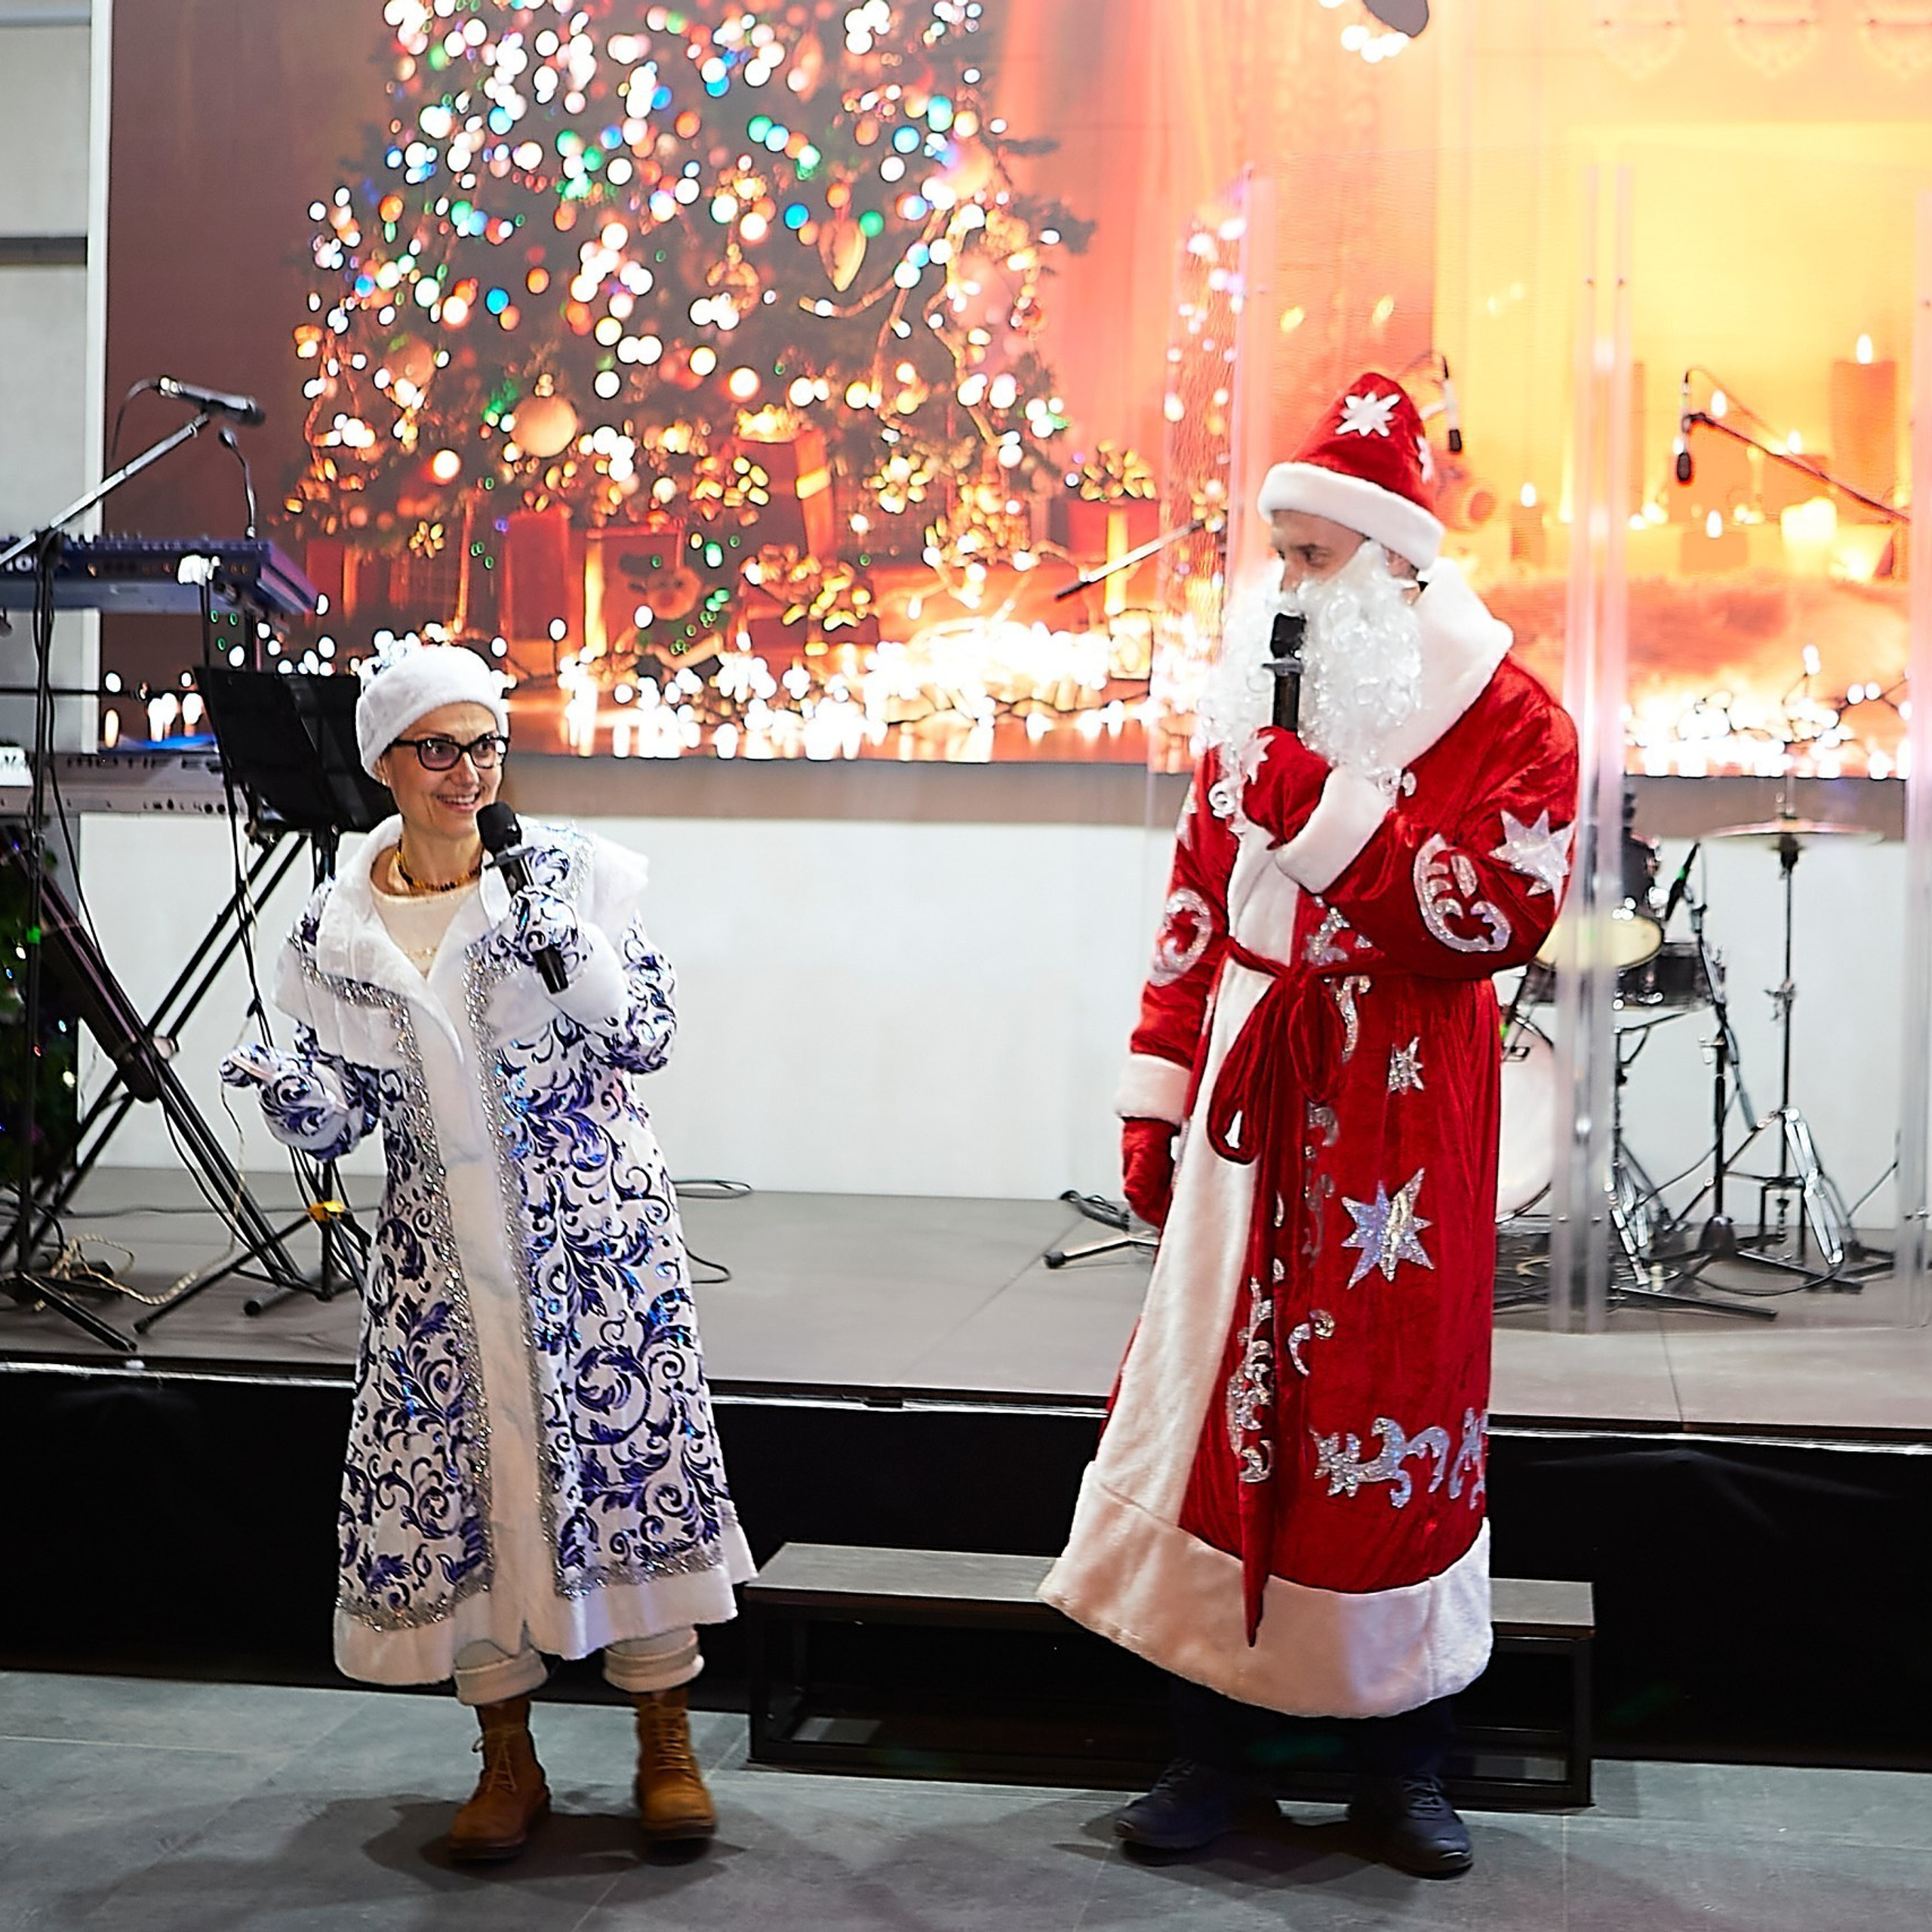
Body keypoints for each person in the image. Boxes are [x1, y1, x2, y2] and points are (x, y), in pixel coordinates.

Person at [1040, 374, 1579, 1879]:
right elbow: (1194, 909)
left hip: (1405, 1104)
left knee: (1385, 1409)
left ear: (1394, 561)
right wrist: (1154, 1087)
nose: (1279, 585)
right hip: (1250, 1092)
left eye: (1310, 555)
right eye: (1272, 552)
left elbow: (1489, 912)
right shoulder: (1243, 711)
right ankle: (1207, 1744)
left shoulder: (1513, 720)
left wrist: (1326, 817)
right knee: (1221, 1400)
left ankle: (1403, 1751)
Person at [221, 643, 754, 1863]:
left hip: (592, 1250)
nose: (469, 772)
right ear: (385, 767)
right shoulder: (331, 930)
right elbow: (350, 1106)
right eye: (440, 749)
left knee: (622, 1469)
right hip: (432, 1265)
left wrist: (582, 958)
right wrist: (300, 1104)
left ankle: (663, 1739)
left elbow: (652, 1037)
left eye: (486, 746)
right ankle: (506, 1761)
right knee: (468, 1488)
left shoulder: (576, 877)